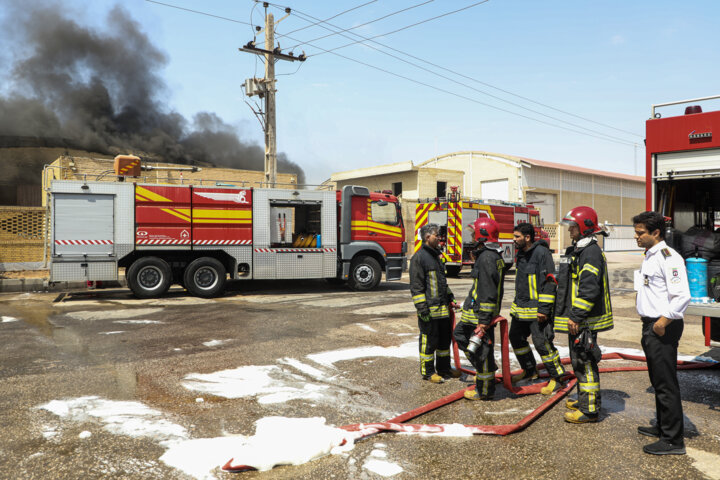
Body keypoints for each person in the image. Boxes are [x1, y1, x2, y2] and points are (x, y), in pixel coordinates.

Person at [633, 211, 690, 455]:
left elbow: (682, 296)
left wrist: (661, 323)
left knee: (666, 383)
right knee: (658, 380)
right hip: (652, 324)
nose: (636, 237)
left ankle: (672, 440)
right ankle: (663, 426)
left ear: (656, 232)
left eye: (640, 233)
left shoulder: (669, 257)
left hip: (662, 326)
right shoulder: (650, 255)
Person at [555, 206, 613, 423]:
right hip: (581, 318)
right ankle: (583, 399)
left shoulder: (590, 253)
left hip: (585, 320)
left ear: (584, 227)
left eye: (573, 227)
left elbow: (589, 288)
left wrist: (577, 316)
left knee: (585, 361)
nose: (570, 231)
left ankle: (589, 410)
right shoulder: (581, 250)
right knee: (579, 360)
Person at [508, 222, 565, 395]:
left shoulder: (541, 253)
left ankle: (557, 378)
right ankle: (530, 370)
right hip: (521, 308)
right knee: (516, 337)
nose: (514, 240)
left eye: (517, 237)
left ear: (527, 237)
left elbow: (549, 282)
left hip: (538, 310)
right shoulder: (521, 254)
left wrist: (544, 309)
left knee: (542, 344)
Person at [453, 217, 505, 400]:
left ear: (483, 235)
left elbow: (489, 292)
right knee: (471, 343)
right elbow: (479, 288)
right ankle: (487, 376)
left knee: (480, 350)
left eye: (475, 233)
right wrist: (464, 304)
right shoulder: (490, 256)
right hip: (475, 312)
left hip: (479, 316)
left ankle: (484, 390)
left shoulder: (487, 258)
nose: (472, 236)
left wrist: (484, 321)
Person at [410, 223, 460, 383]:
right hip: (429, 311)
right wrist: (422, 310)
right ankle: (428, 372)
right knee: (429, 342)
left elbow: (442, 283)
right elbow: (417, 288)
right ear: (427, 237)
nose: (439, 238)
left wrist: (450, 298)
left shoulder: (437, 256)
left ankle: (444, 369)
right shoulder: (419, 258)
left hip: (443, 310)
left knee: (444, 342)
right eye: (436, 235)